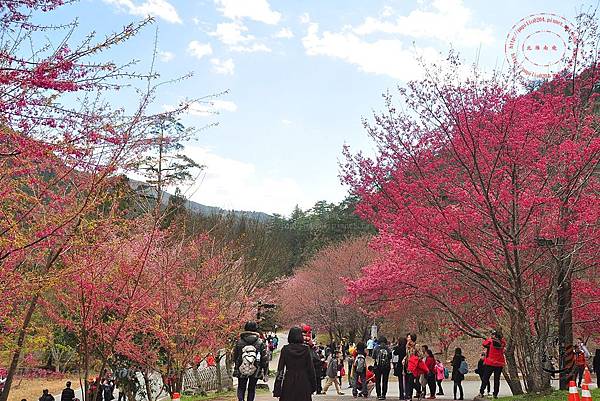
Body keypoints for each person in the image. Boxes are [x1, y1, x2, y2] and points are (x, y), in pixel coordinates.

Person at [273, 327, 317, 401]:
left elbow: (280, 370)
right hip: (303, 381)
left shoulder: (285, 349)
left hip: (289, 380)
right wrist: (313, 386)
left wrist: (277, 389)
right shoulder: (306, 349)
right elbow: (310, 369)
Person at [234, 321, 269, 401]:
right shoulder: (260, 342)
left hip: (241, 368)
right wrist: (265, 371)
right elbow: (264, 359)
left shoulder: (239, 342)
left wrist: (236, 366)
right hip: (256, 368)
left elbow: (235, 357)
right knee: (251, 389)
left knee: (241, 388)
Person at [477, 329, 506, 399]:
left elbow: (484, 344)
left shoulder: (491, 341)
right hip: (499, 363)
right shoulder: (502, 342)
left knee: (485, 378)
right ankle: (495, 394)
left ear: (494, 336)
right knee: (497, 379)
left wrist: (490, 339)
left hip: (490, 362)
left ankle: (481, 392)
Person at [373, 336, 392, 400]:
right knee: (385, 381)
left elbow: (373, 357)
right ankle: (384, 394)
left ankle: (378, 394)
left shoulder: (376, 348)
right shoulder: (388, 348)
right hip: (386, 367)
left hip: (377, 367)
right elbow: (390, 357)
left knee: (377, 381)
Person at [403, 333, 418, 401]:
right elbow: (407, 355)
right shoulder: (407, 346)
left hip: (414, 366)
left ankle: (410, 396)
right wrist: (404, 359)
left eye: (409, 337)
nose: (407, 338)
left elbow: (420, 355)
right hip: (407, 366)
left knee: (411, 381)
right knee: (409, 381)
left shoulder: (416, 346)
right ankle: (410, 395)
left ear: (412, 338)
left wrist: (414, 360)